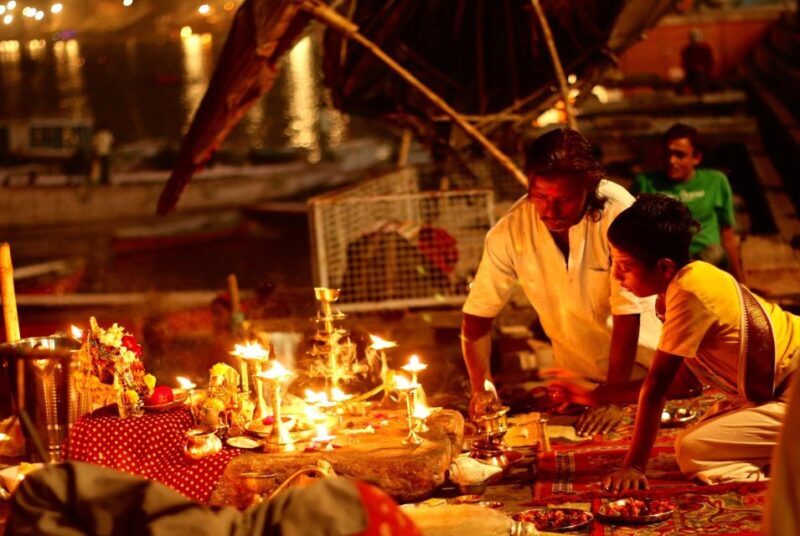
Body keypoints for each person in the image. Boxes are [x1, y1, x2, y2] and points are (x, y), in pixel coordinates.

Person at [556, 194, 797, 492]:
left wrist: (633, 465)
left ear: (664, 267)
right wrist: (595, 396)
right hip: (779, 392)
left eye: (625, 266)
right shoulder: (683, 284)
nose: (616, 276)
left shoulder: (690, 291)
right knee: (706, 429)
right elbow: (683, 383)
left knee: (692, 449)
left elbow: (657, 385)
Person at [462, 128, 663, 437]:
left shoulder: (619, 212)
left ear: (590, 187)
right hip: (580, 376)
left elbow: (627, 314)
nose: (550, 211)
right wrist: (482, 387)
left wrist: (613, 397)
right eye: (540, 197)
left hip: (649, 368)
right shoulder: (510, 231)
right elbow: (477, 316)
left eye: (564, 200)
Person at [633, 123, 746, 283]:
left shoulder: (715, 181)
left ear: (696, 157)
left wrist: (741, 282)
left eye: (680, 155)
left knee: (716, 254)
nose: (671, 161)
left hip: (707, 262)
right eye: (668, 154)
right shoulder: (645, 183)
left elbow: (727, 234)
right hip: (666, 263)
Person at [680, 28, 714, 95]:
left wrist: (701, 68)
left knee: (700, 77)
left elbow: (710, 61)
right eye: (692, 37)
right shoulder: (686, 50)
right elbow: (685, 63)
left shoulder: (705, 48)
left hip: (702, 73)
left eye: (696, 36)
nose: (694, 39)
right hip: (692, 73)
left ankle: (701, 93)